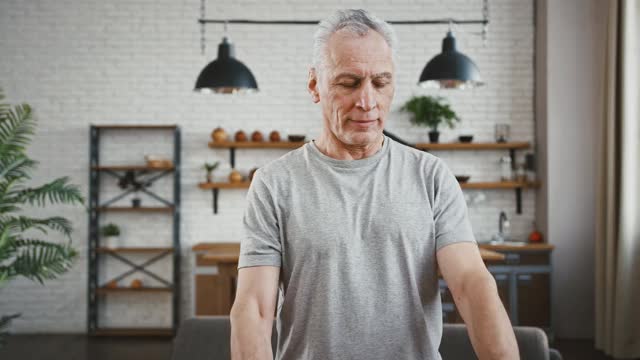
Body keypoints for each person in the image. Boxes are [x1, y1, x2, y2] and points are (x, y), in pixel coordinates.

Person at [230, 9, 519, 360]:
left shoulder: (431, 176)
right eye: (349, 83)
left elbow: (472, 285)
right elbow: (255, 310)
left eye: (380, 83)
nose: (367, 102)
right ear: (314, 85)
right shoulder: (274, 184)